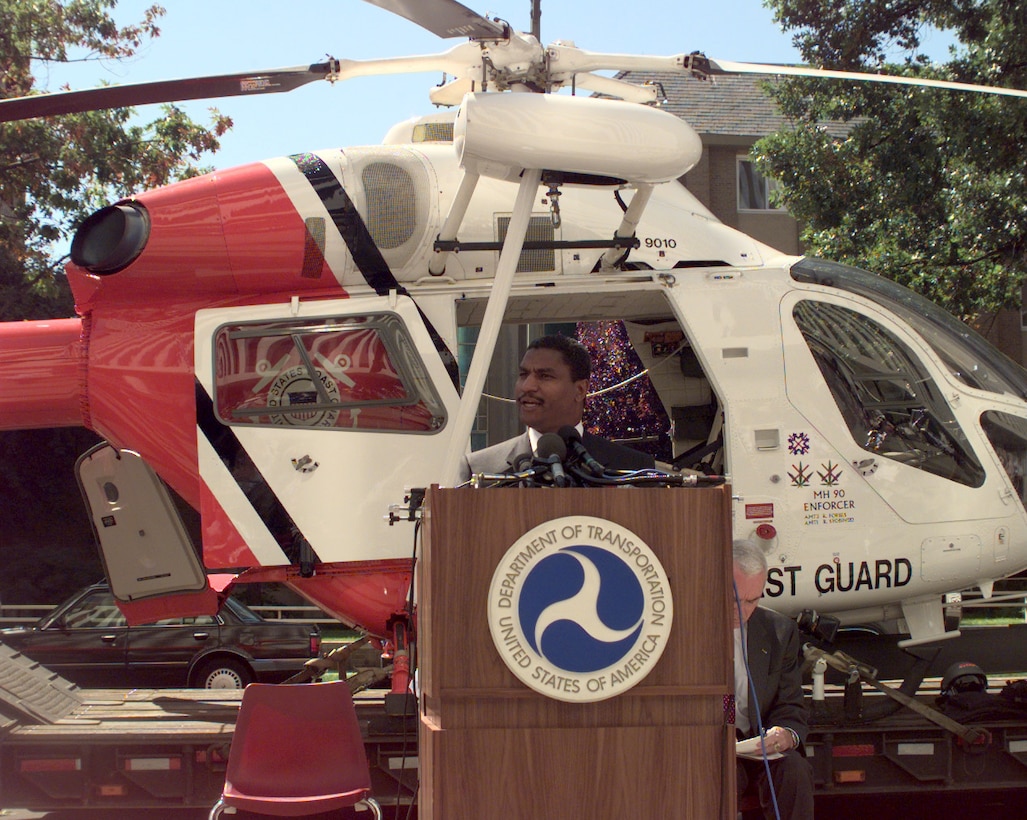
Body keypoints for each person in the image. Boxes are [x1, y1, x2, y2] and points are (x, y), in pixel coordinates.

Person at [459, 334, 655, 481]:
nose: (527, 386)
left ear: (580, 390)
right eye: (523, 374)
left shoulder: (633, 468)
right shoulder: (479, 469)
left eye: (545, 376)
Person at [733, 538, 814, 819]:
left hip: (759, 745)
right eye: (733, 599)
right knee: (718, 776)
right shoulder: (690, 628)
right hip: (714, 745)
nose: (741, 611)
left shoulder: (779, 631)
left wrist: (786, 735)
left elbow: (790, 704)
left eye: (751, 601)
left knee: (794, 770)